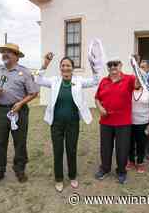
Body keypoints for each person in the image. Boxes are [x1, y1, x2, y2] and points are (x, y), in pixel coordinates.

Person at [35, 53, 100, 192]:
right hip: (56, 123)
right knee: (57, 151)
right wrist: (45, 63)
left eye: (68, 65)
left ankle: (72, 176)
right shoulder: (54, 81)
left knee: (71, 150)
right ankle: (58, 179)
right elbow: (38, 80)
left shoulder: (79, 81)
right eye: (63, 65)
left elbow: (95, 81)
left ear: (72, 68)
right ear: (60, 68)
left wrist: (94, 66)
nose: (65, 68)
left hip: (72, 123)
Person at [0, 43, 39, 187]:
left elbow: (33, 93)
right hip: (1, 111)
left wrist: (20, 104)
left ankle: (19, 169)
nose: (5, 54)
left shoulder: (24, 72)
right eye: (4, 52)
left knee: (20, 142)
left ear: (16, 56)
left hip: (19, 111)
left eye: (9, 52)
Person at [94, 57, 136, 184]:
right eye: (110, 65)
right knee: (105, 148)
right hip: (106, 121)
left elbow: (139, 84)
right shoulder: (103, 81)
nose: (113, 67)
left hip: (123, 122)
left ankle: (121, 171)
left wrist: (136, 67)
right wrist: (100, 107)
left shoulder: (129, 79)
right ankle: (105, 168)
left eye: (115, 64)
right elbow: (96, 98)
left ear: (120, 65)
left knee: (122, 148)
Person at [126, 79, 149, 173]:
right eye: (134, 81)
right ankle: (131, 161)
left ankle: (140, 162)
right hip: (129, 122)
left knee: (141, 144)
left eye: (139, 80)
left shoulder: (148, 93)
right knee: (130, 143)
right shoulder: (128, 92)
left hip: (143, 122)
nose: (136, 82)